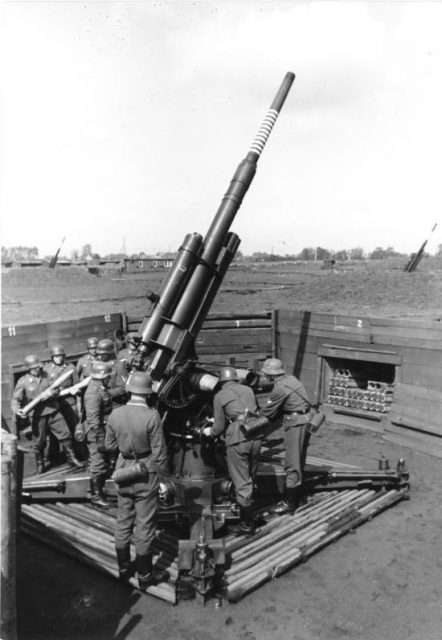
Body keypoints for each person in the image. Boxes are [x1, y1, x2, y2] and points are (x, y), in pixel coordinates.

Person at [105, 372, 168, 588]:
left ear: (130, 390)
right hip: (146, 473)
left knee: (123, 521)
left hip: (123, 472)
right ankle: (145, 577)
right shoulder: (153, 415)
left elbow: (110, 446)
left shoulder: (115, 414)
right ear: (148, 393)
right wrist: (163, 479)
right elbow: (159, 454)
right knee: (145, 525)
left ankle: (124, 569)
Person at [203, 366, 262, 536]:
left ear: (221, 382)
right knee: (251, 475)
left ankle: (246, 525)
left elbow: (219, 428)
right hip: (256, 432)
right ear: (235, 379)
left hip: (238, 438)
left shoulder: (220, 395)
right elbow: (248, 410)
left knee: (242, 481)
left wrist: (210, 431)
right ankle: (249, 507)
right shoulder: (248, 389)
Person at [11, 354, 83, 474]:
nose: (38, 369)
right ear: (29, 369)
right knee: (39, 442)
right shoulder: (23, 381)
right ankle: (40, 465)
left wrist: (51, 394)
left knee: (65, 435)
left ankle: (72, 458)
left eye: (38, 367)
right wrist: (17, 410)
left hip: (53, 411)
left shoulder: (47, 375)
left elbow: (57, 388)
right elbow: (15, 399)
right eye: (35, 368)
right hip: (37, 415)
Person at [259, 358, 311, 515]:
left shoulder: (279, 389)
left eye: (266, 374)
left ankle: (289, 503)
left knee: (292, 463)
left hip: (294, 424)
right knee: (299, 460)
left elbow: (268, 413)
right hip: (304, 421)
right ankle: (298, 497)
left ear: (270, 375)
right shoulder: (292, 380)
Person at [84, 361, 114, 508]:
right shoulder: (93, 393)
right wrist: (101, 439)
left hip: (104, 431)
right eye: (108, 376)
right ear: (102, 377)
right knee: (98, 464)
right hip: (97, 434)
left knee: (103, 462)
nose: (110, 378)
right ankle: (96, 496)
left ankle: (99, 491)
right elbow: (93, 420)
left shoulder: (100, 388)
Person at [95, 338, 128, 408]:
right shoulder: (97, 365)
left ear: (109, 353)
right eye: (98, 354)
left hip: (115, 404)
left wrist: (106, 393)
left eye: (102, 354)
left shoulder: (118, 366)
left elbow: (123, 388)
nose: (99, 356)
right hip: (100, 403)